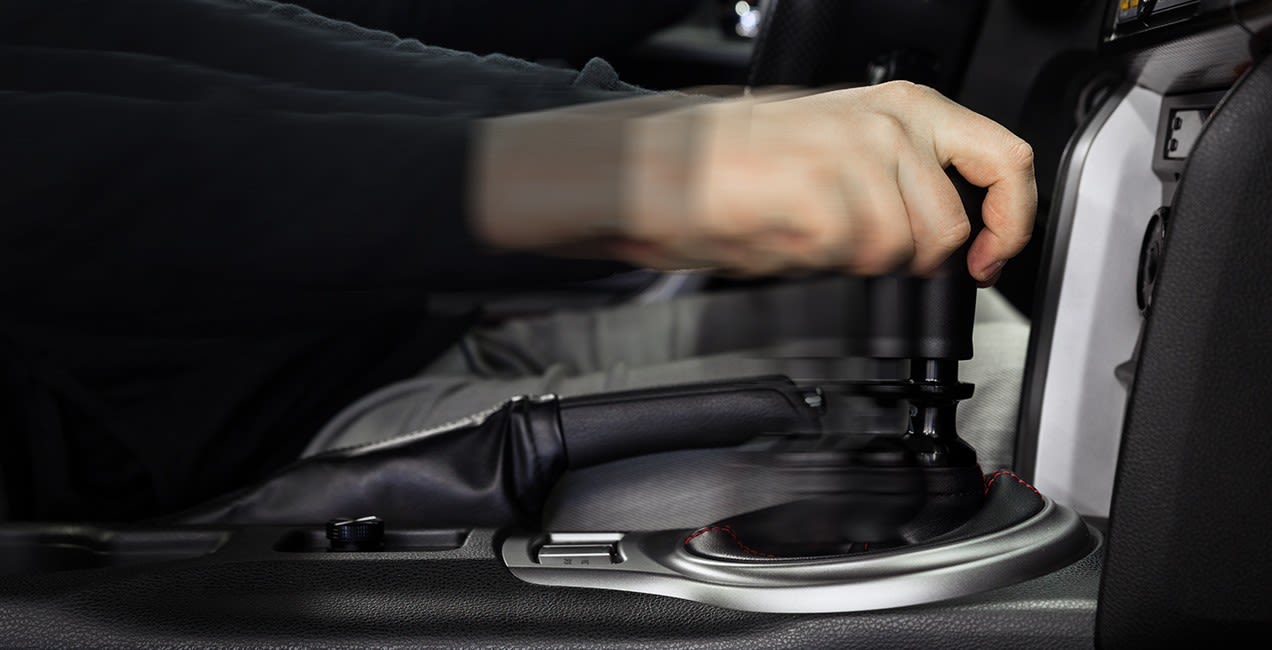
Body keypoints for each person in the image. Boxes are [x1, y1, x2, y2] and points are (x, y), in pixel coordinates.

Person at [0, 0, 1035, 523]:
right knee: (1008, 436)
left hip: (403, 316)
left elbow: (145, 34)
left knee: (1007, 358)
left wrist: (637, 129)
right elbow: (71, 184)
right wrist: (619, 176)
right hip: (206, 462)